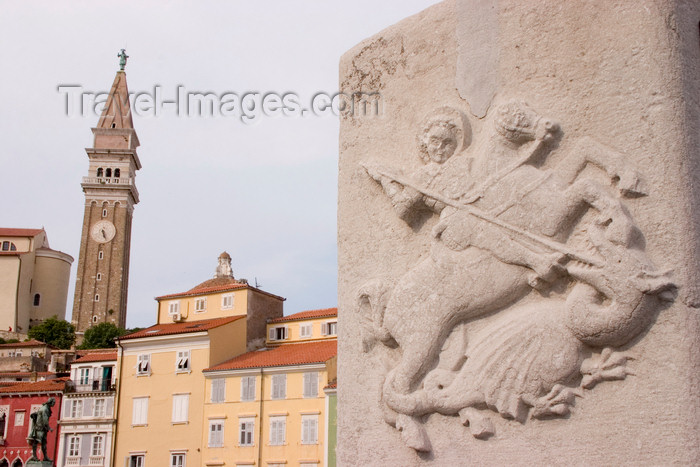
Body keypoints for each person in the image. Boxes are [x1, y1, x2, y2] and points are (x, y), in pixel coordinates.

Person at [27, 397, 55, 462]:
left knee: (42, 443)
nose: (54, 404)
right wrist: (49, 428)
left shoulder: (45, 408)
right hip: (40, 428)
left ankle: (44, 457)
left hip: (41, 428)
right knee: (37, 442)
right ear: (51, 402)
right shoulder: (45, 409)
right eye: (53, 403)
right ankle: (35, 456)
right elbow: (45, 419)